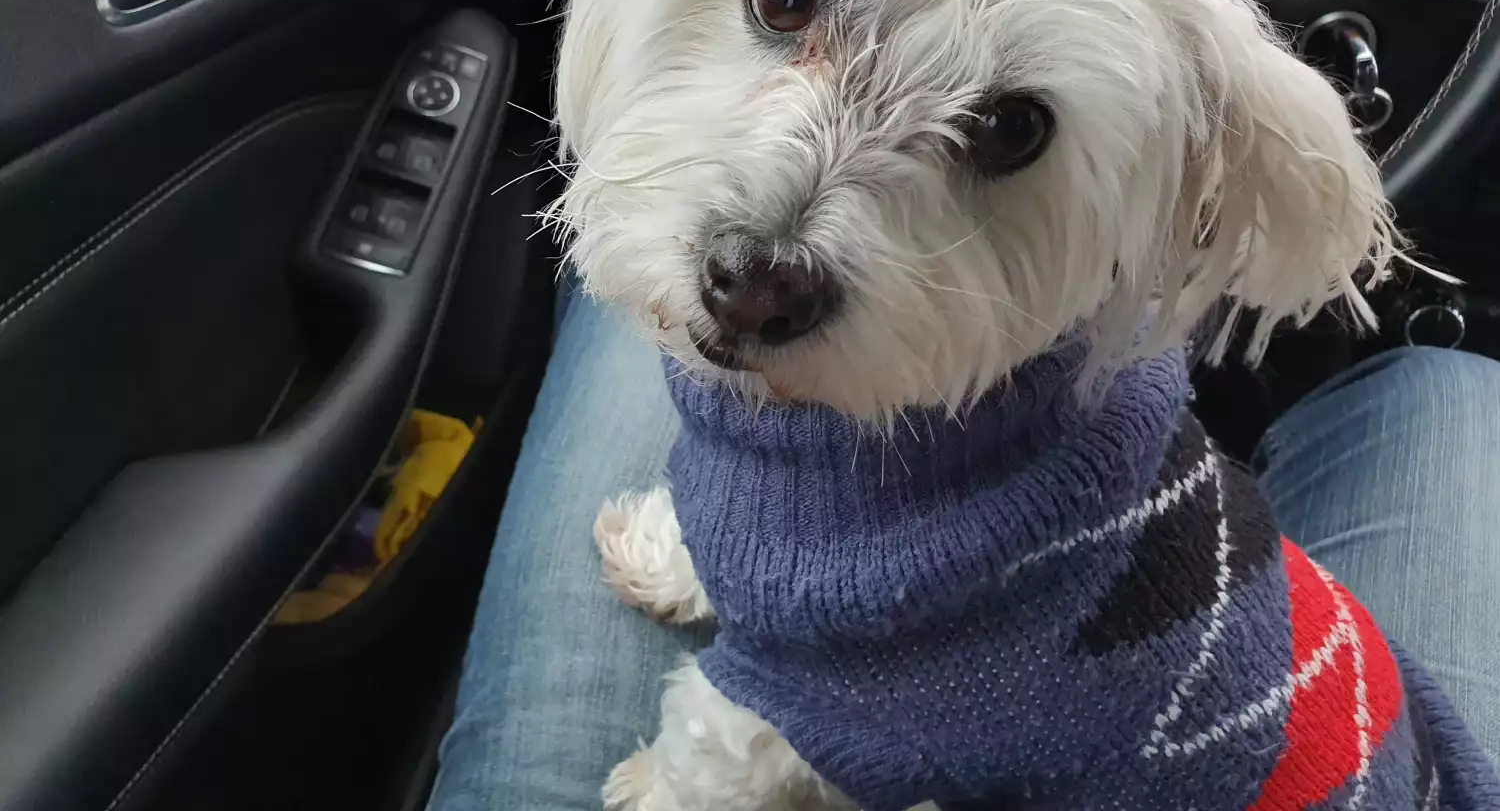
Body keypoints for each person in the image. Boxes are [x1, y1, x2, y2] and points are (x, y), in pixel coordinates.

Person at [425, 289, 1500, 811]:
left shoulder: (936, 561)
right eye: (790, 2)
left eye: (998, 128)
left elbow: (775, 741)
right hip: (1381, 753)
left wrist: (683, 778)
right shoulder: (1090, 444)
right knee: (1452, 386)